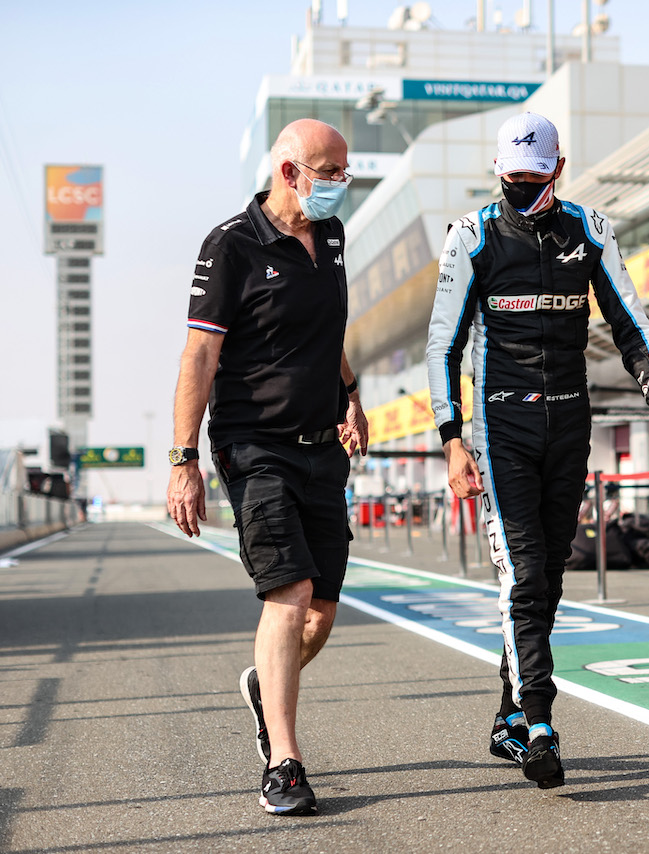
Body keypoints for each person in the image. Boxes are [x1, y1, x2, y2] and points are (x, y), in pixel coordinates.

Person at [426, 112, 649, 789]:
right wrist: (451, 439)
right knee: (522, 575)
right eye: (510, 178)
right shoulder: (472, 235)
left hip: (571, 426)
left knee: (548, 575)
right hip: (499, 428)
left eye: (534, 179)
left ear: (559, 170)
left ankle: (509, 715)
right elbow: (443, 346)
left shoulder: (589, 229)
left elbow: (633, 322)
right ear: (497, 172)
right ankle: (539, 724)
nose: (521, 189)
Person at [166, 118, 369, 815]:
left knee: (321, 614)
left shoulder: (334, 238)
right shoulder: (231, 247)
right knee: (289, 593)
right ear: (290, 172)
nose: (342, 184)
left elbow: (329, 329)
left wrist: (351, 394)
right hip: (255, 446)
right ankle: (285, 761)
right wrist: (183, 459)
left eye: (345, 171)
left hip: (322, 446)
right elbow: (199, 357)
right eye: (331, 172)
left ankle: (264, 684)